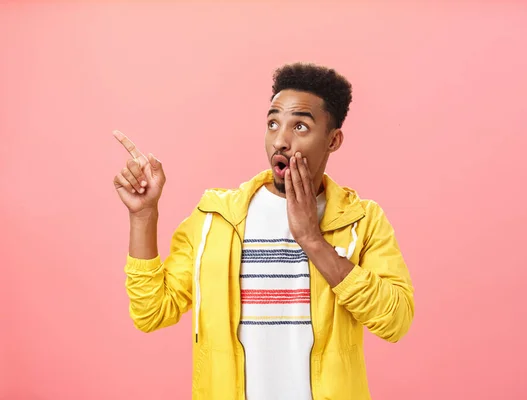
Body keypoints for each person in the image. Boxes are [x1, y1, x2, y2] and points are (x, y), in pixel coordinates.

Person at [114, 62, 415, 400]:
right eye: (273, 123)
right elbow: (152, 311)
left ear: (333, 140)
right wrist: (144, 216)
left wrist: (313, 242)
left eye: (300, 126)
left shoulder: (362, 220)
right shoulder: (217, 217)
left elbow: (396, 320)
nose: (281, 141)